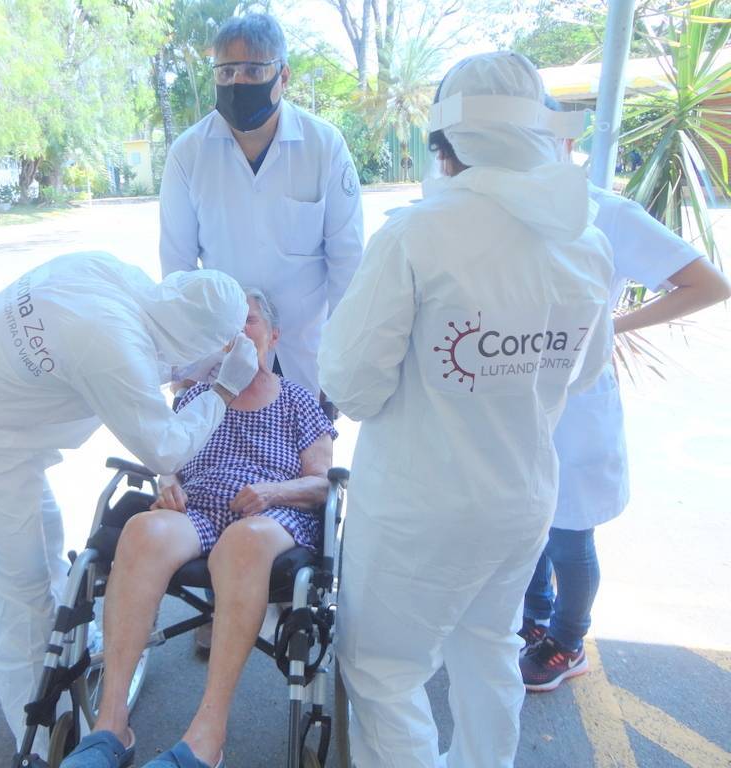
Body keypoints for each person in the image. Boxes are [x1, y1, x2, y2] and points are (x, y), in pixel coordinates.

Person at [317, 52, 614, 768]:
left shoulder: (417, 235)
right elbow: (584, 373)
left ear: (445, 141)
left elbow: (352, 385)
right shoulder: (585, 239)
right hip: (521, 502)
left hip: (421, 509)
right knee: (488, 649)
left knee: (386, 670)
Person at [0, 251, 260, 754]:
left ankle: (65, 662)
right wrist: (223, 387)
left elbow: (154, 363)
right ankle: (41, 740)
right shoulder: (112, 343)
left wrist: (201, 370)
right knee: (18, 593)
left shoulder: (122, 281)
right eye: (224, 341)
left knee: (46, 540)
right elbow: (163, 446)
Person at [60, 290, 336, 768]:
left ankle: (207, 738)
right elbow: (164, 455)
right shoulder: (197, 396)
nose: (239, 331)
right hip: (200, 510)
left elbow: (321, 482)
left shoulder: (297, 400)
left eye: (250, 321)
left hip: (272, 516)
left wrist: (272, 491)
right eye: (229, 324)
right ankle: (110, 727)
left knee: (244, 541)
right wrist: (167, 481)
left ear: (274, 336)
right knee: (142, 530)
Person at [518, 113, 731, 691]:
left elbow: (709, 284)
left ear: (566, 141)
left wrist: (612, 327)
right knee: (529, 520)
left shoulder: (608, 213)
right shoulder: (506, 209)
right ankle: (534, 620)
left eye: (537, 138)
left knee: (569, 530)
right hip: (517, 396)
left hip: (578, 403)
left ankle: (567, 641)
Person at [159, 12, 363, 399]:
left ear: (283, 76)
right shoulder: (189, 153)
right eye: (226, 71)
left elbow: (347, 263)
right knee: (216, 440)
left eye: (253, 71)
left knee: (309, 440)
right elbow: (178, 268)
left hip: (305, 356)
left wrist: (342, 362)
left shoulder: (324, 146)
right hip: (219, 358)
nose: (238, 82)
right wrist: (185, 359)